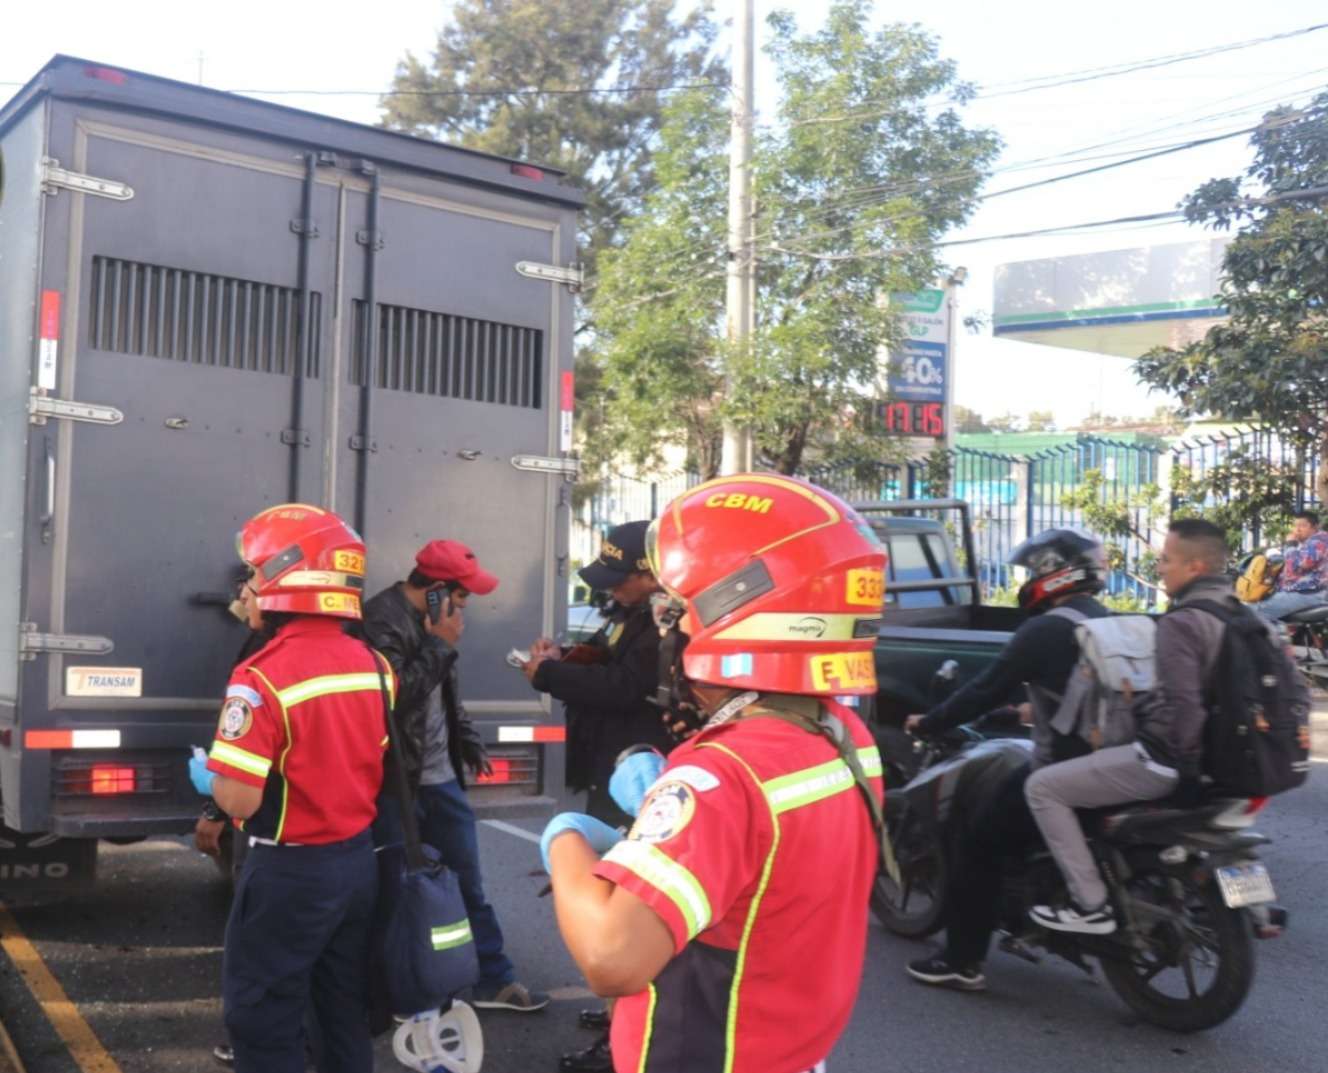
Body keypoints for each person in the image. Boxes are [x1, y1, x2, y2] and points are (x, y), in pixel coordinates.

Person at [540, 474, 887, 1073]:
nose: (665, 625)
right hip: (792, 1050)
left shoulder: (722, 774)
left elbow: (610, 958)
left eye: (669, 609)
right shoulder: (844, 736)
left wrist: (566, 841)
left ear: (728, 612)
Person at [1024, 518, 1309, 935]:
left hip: (1173, 763)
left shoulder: (1182, 623)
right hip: (1250, 764)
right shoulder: (1256, 620)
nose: (1160, 568)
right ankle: (1255, 906)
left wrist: (1184, 771)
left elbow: (1183, 709)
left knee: (1043, 787)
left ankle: (1090, 904)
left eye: (1166, 559)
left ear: (1194, 567)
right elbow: (1297, 694)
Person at [188, 503, 389, 1073]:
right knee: (339, 1013)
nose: (246, 588)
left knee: (263, 1018)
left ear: (284, 579)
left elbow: (241, 800)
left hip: (290, 872)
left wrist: (211, 778)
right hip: (355, 862)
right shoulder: (373, 664)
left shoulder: (262, 676)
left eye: (253, 575)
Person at [902, 528, 1110, 992]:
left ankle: (962, 960)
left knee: (977, 842)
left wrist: (930, 722)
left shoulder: (1045, 630)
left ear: (1052, 574)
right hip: (1115, 765)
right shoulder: (1108, 621)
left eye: (1032, 570)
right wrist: (1024, 710)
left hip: (1061, 769)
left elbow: (982, 689)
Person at [363, 540, 548, 1013]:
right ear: (436, 591)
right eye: (462, 596)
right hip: (397, 784)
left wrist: (465, 738)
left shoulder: (437, 624)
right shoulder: (380, 619)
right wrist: (439, 643)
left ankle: (492, 978)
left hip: (440, 778)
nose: (466, 607)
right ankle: (398, 987)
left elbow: (445, 694)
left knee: (467, 883)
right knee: (396, 888)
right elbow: (394, 696)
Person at [523, 521, 674, 828]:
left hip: (642, 765)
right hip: (611, 759)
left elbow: (625, 685)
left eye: (618, 581)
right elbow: (604, 650)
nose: (610, 589)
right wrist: (562, 656)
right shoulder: (631, 609)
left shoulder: (669, 623)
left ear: (650, 576)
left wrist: (550, 674)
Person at [1255, 510, 1328, 621]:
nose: (1297, 530)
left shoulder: (1318, 541)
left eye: (1303, 526)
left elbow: (1298, 565)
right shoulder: (1308, 542)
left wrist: (1290, 545)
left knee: (1255, 611)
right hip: (1300, 592)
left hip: (1307, 593)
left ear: (1315, 527)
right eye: (1295, 525)